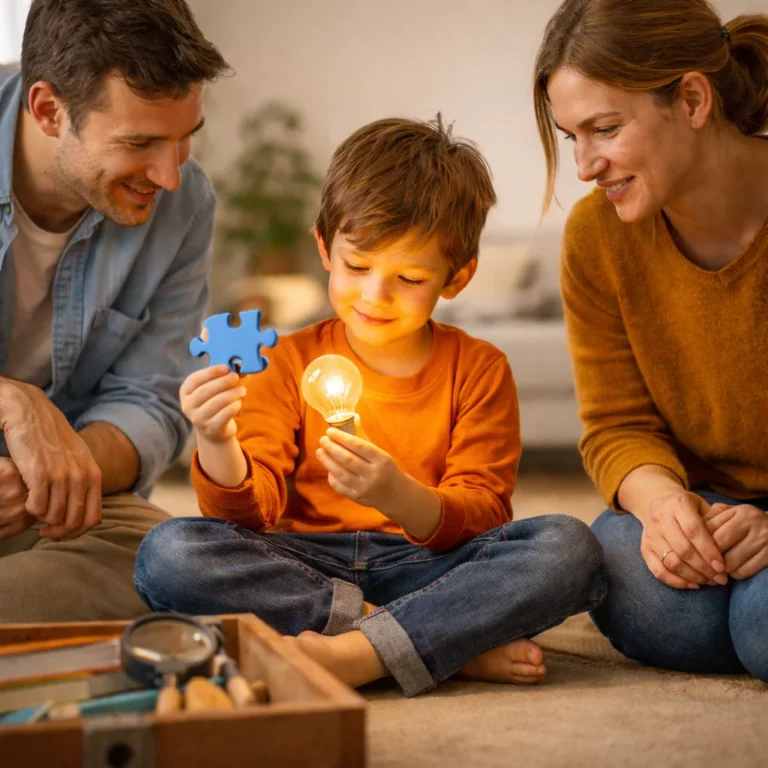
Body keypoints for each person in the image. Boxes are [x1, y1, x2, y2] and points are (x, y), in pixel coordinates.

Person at [134, 116, 606, 697]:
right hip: (305, 563)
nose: (375, 296)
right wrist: (215, 439)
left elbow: (485, 512)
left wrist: (399, 495)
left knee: (570, 547)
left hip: (431, 566)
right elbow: (249, 517)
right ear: (324, 247)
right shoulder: (283, 359)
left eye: (408, 276)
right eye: (358, 266)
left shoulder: (480, 368)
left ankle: (360, 651)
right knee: (169, 553)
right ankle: (432, 644)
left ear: (456, 278)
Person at [534, 0, 768, 681]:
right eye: (571, 136)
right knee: (624, 570)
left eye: (604, 129)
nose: (583, 165)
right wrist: (664, 506)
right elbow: (616, 424)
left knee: (758, 627)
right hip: (708, 503)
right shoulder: (597, 238)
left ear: (692, 99)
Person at [0, 0, 229, 622]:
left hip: (53, 507)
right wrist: (13, 400)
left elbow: (151, 401)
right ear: (48, 110)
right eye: (141, 143)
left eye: (185, 138)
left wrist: (43, 478)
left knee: (179, 566)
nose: (170, 175)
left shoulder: (186, 207)